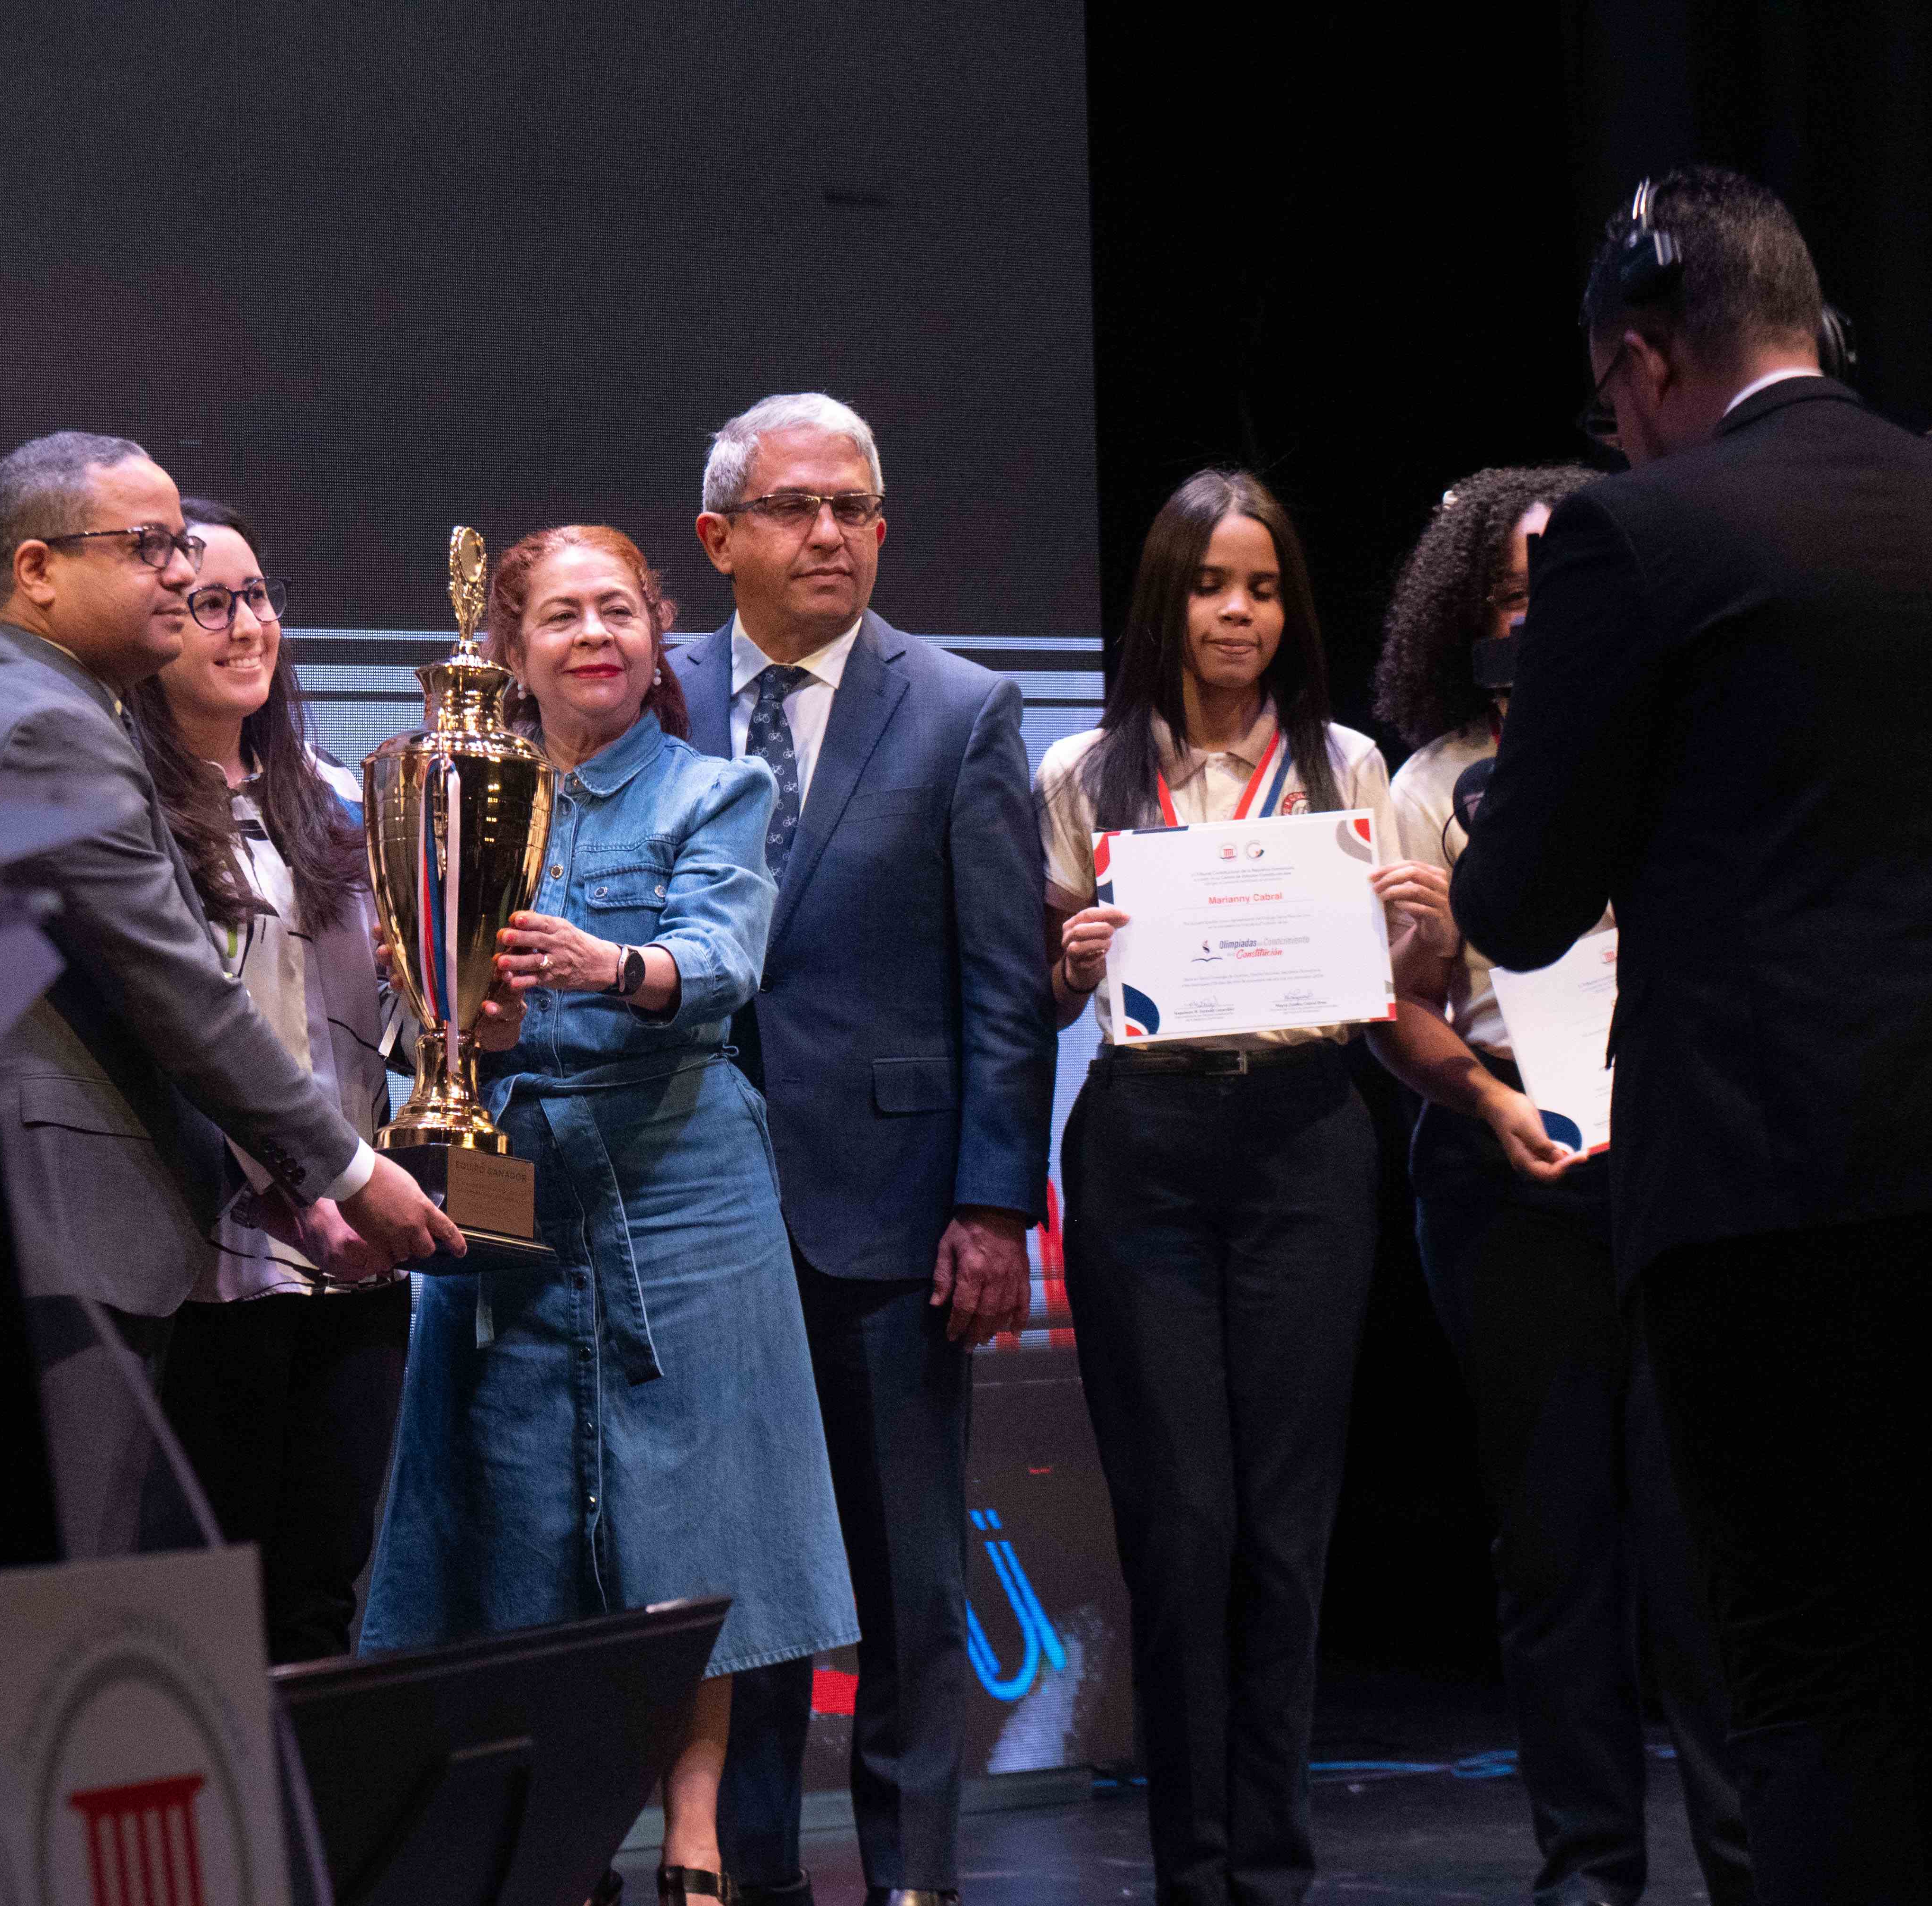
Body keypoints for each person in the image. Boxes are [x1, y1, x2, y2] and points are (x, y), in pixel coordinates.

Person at [1453, 167, 1932, 1904]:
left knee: (1805, 1675)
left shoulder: (1635, 533)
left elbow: (1516, 902)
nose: (1618, 433)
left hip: (1765, 1192)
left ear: (1645, 359)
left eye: (1609, 403)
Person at [361, 523, 856, 1906]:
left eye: (622, 613)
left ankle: (693, 1849)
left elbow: (723, 958)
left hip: (684, 1185)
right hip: (510, 1179)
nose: (597, 636)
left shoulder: (718, 788)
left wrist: (608, 965)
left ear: (657, 633)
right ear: (513, 654)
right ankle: (558, 1846)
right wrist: (465, 1027)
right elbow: (409, 999)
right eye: (566, 617)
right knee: (521, 1518)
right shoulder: (454, 791)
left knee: (696, 1527)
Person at [672, 393, 1056, 1906]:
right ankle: (750, 1877)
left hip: (893, 1220)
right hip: (691, 1210)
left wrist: (991, 1204)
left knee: (905, 1588)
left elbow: (1004, 987)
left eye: (855, 506)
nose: (830, 532)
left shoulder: (962, 710)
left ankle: (913, 1885)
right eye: (794, 508)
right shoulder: (654, 686)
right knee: (740, 1595)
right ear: (720, 540)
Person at [1039, 470, 1439, 1906]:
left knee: (1284, 1523)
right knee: (1181, 1525)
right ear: (1168, 598)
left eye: (1263, 587)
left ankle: (1271, 1867)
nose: (1238, 613)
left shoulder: (1349, 771)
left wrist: (1421, 934)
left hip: (1304, 1141)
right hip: (1144, 1143)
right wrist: (1071, 964)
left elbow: (1399, 998)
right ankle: (1188, 1869)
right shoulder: (1082, 776)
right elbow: (1038, 988)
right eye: (1212, 585)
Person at [1370, 466, 1752, 1906]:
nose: (1534, 620)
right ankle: (1588, 1872)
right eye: (1509, 597)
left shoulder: (1687, 740)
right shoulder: (1425, 785)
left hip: (1681, 1171)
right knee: (1553, 1546)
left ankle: (1744, 1863)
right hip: (1501, 1176)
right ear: (1465, 619)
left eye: (1558, 591)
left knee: (1700, 1540)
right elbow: (1397, 1013)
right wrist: (1479, 1093)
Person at [0, 432, 457, 1387]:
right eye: (146, 549)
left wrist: (305, 1191)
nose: (176, 573)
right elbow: (176, 991)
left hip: (128, 1229)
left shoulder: (67, 708)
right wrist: (353, 1175)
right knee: (97, 1538)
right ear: (37, 569)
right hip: (60, 1234)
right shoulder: (48, 727)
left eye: (182, 549)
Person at [133, 497, 410, 1665]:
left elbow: (398, 1021)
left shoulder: (348, 798)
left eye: (257, 597)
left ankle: (312, 1853)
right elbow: (180, 1032)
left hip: (358, 1257)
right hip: (202, 1258)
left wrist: (460, 1015)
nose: (245, 627)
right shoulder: (124, 813)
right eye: (209, 604)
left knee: (317, 1601)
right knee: (198, 1613)